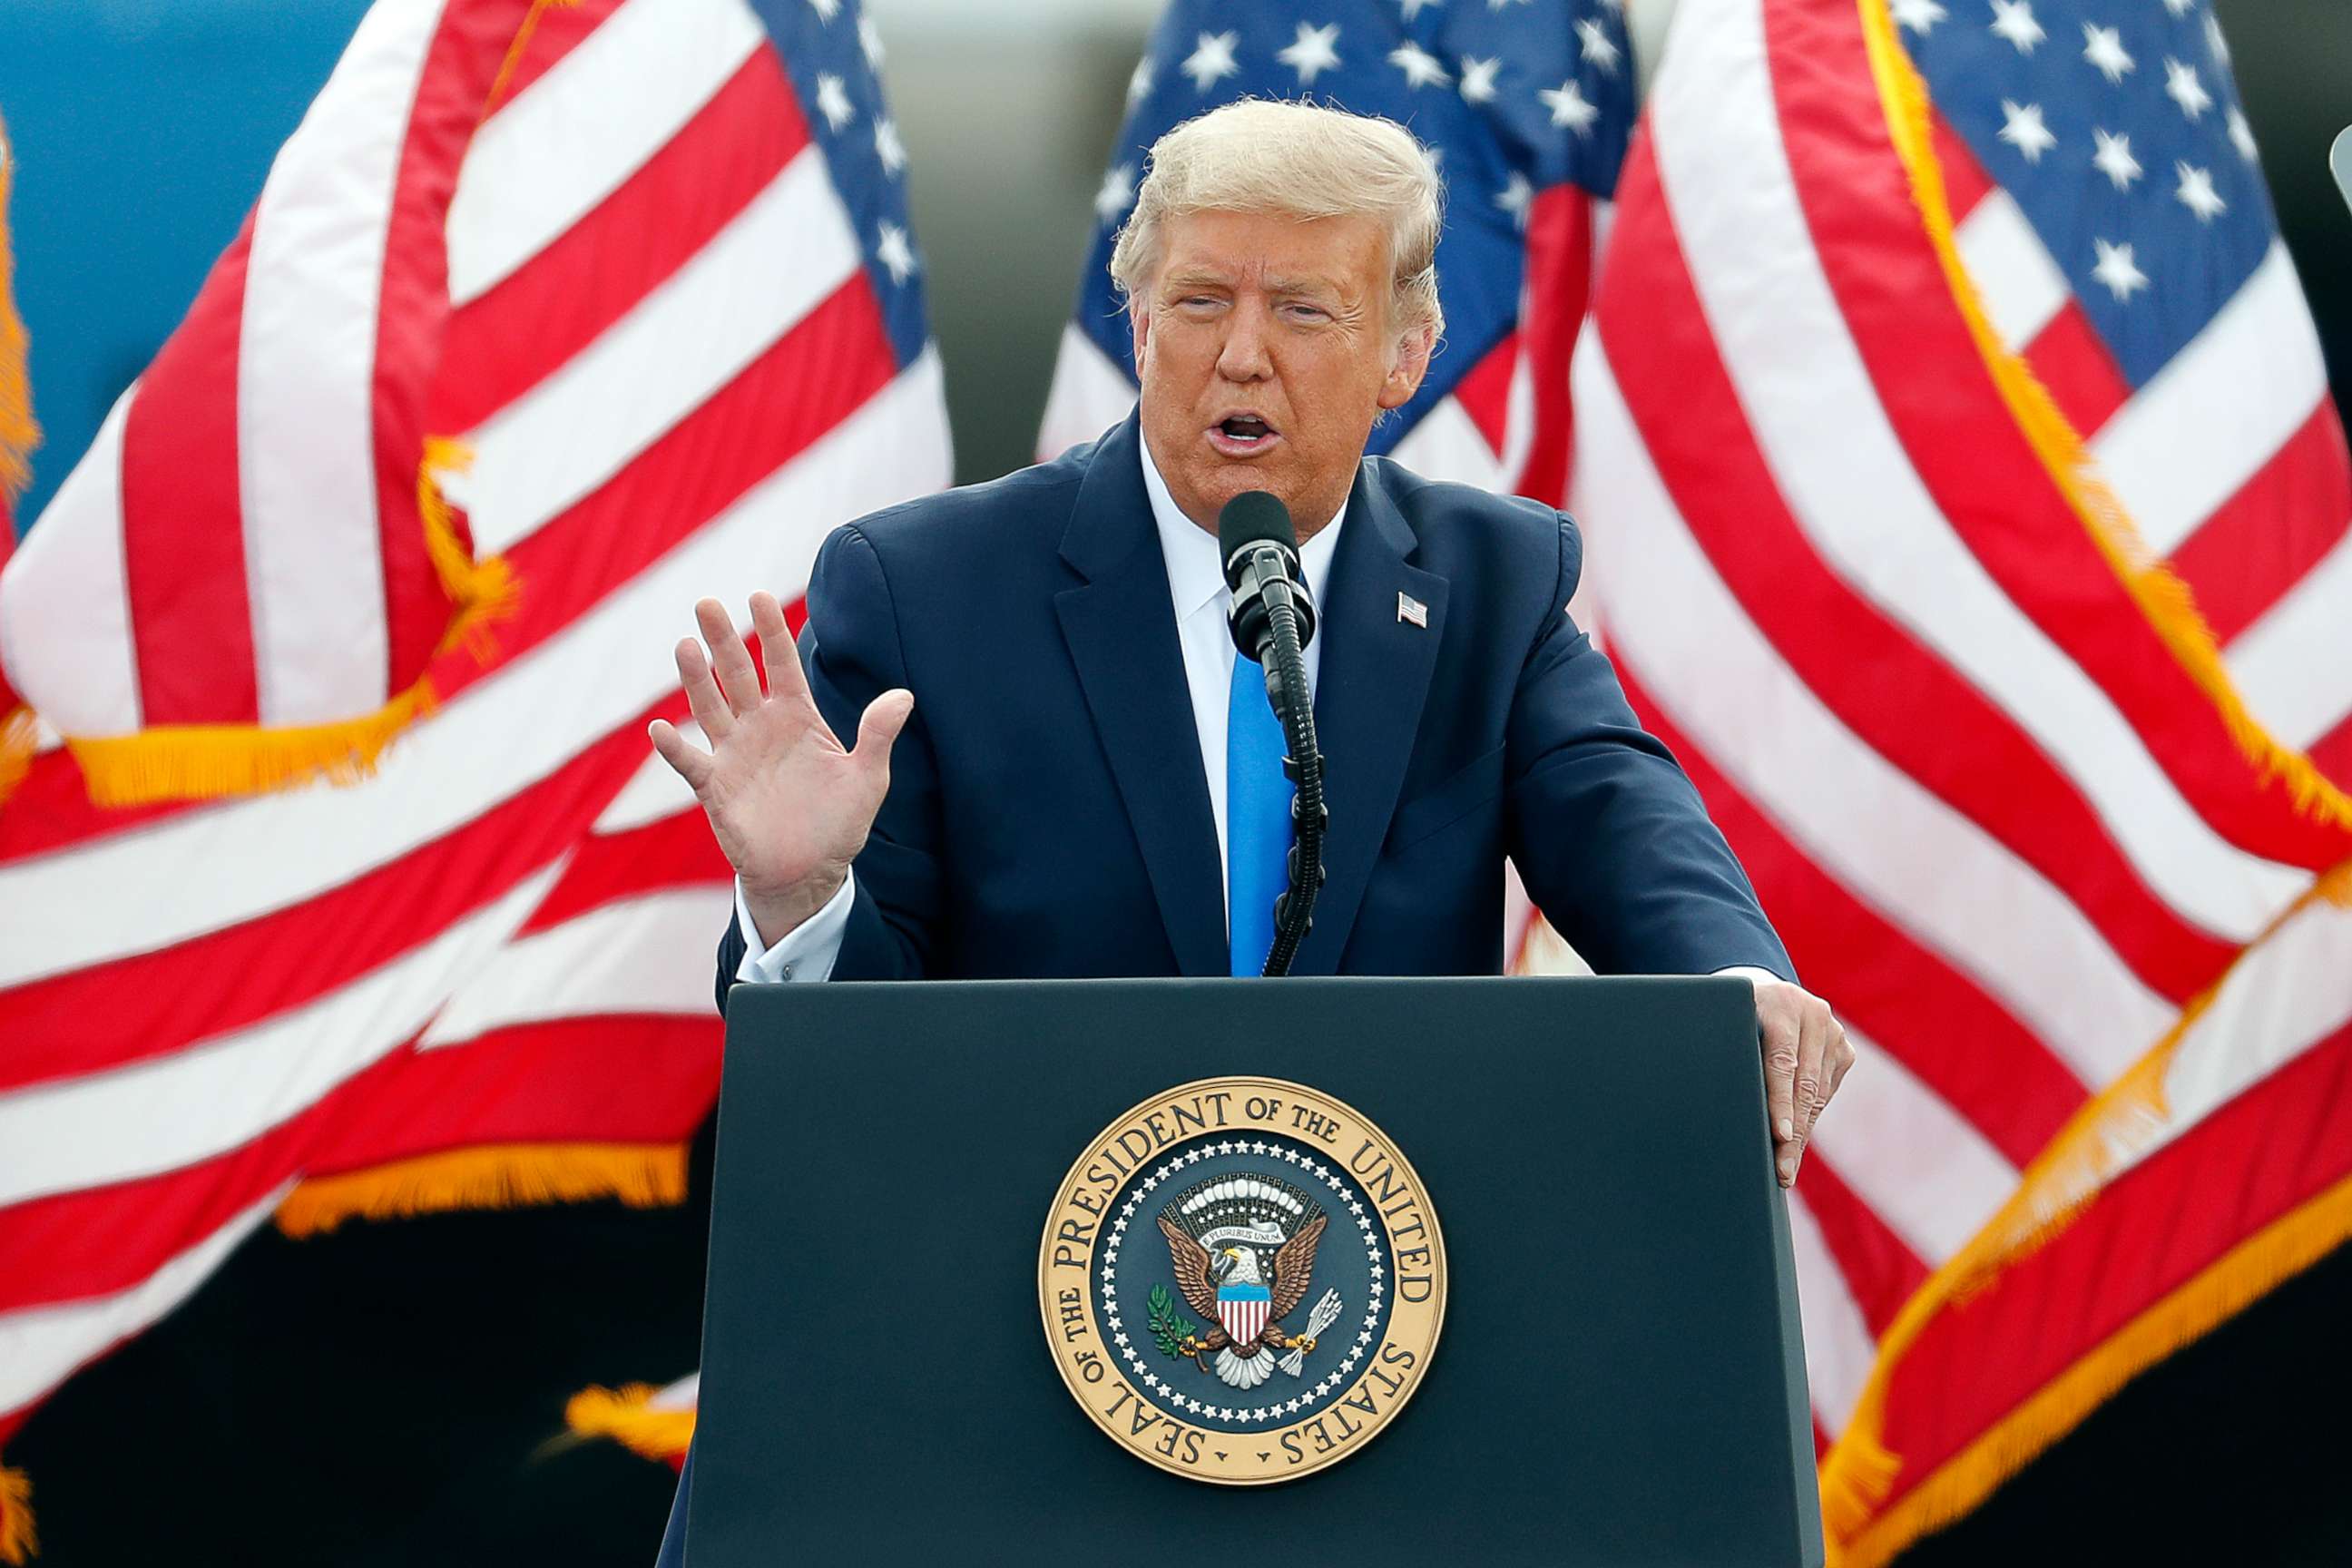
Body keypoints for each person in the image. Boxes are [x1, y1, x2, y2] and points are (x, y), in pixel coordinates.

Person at [645, 100, 1853, 1561]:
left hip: (1375, 1390)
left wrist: (1734, 980)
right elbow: (852, 1065)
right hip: (1006, 1377)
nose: (1240, 353)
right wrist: (801, 892)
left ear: (1406, 351)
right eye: (1201, 299)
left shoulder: (1492, 579)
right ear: (1138, 320)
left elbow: (1618, 805)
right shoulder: (926, 588)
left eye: (1303, 308)